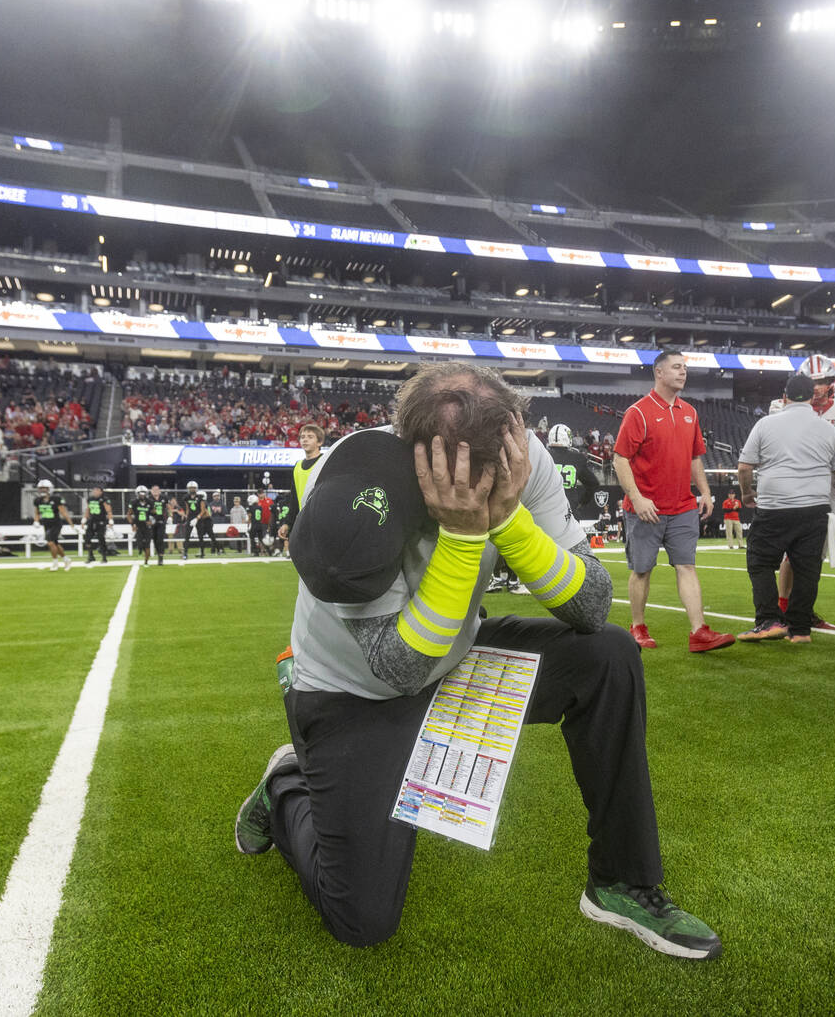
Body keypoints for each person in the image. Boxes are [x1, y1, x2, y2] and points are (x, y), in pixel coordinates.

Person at [233, 361, 722, 960]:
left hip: (456, 655)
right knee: (360, 918)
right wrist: (465, 537)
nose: (487, 481)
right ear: (416, 454)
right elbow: (397, 668)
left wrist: (511, 520)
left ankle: (622, 879)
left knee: (607, 655)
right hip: (352, 689)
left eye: (497, 465)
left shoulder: (519, 456)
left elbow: (593, 607)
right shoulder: (360, 480)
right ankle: (286, 786)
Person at [612, 350, 735, 653]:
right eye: (677, 367)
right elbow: (619, 459)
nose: (683, 373)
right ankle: (638, 627)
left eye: (685, 368)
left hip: (682, 506)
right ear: (659, 373)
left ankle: (699, 632)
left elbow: (695, 458)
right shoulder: (638, 412)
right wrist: (637, 498)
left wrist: (705, 492)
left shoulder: (690, 412)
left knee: (687, 566)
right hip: (646, 510)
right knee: (642, 570)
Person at [735, 374, 835, 643]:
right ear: (812, 397)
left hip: (775, 505)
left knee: (760, 562)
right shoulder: (827, 428)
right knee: (807, 569)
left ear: (784, 397)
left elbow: (745, 466)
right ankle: (800, 631)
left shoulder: (766, 424)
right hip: (815, 507)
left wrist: (747, 493)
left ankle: (769, 619)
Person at [279, 424, 325, 545]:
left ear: (319, 442)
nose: (305, 439)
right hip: (303, 521)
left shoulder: (325, 462)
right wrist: (287, 523)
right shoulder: (297, 466)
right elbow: (294, 498)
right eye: (303, 437)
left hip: (322, 521)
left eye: (310, 437)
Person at [546, 423, 600, 517]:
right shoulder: (577, 458)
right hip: (569, 510)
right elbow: (593, 483)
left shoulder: (542, 455)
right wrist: (582, 502)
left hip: (546, 510)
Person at [32, 478, 74, 572]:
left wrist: (71, 524)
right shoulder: (38, 500)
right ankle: (66, 560)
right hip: (46, 524)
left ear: (49, 488)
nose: (43, 490)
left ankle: (55, 563)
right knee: (55, 544)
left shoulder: (56, 499)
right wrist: (36, 521)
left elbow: (64, 512)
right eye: (41, 488)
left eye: (45, 488)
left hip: (56, 523)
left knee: (50, 542)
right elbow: (37, 513)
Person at [83, 486, 113, 564]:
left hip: (101, 521)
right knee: (87, 538)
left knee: (101, 538)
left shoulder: (104, 499)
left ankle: (104, 557)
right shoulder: (90, 499)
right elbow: (88, 509)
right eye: (94, 490)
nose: (95, 491)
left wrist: (110, 520)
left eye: (97, 490)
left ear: (101, 492)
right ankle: (90, 556)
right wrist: (84, 519)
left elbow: (108, 510)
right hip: (91, 520)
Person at [128, 485, 152, 566]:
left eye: (143, 493)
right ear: (137, 494)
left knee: (147, 544)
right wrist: (132, 524)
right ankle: (140, 550)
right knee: (140, 544)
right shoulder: (134, 502)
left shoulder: (150, 502)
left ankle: (146, 561)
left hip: (147, 526)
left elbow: (155, 513)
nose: (142, 495)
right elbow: (129, 514)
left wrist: (151, 521)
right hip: (138, 525)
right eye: (140, 494)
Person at [147, 484, 169, 565]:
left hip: (161, 521)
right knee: (155, 539)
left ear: (159, 490)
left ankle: (161, 557)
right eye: (154, 490)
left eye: (157, 489)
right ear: (151, 491)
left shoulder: (164, 498)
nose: (155, 491)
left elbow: (168, 507)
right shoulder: (149, 499)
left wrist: (170, 516)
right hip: (152, 521)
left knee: (160, 539)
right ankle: (159, 553)